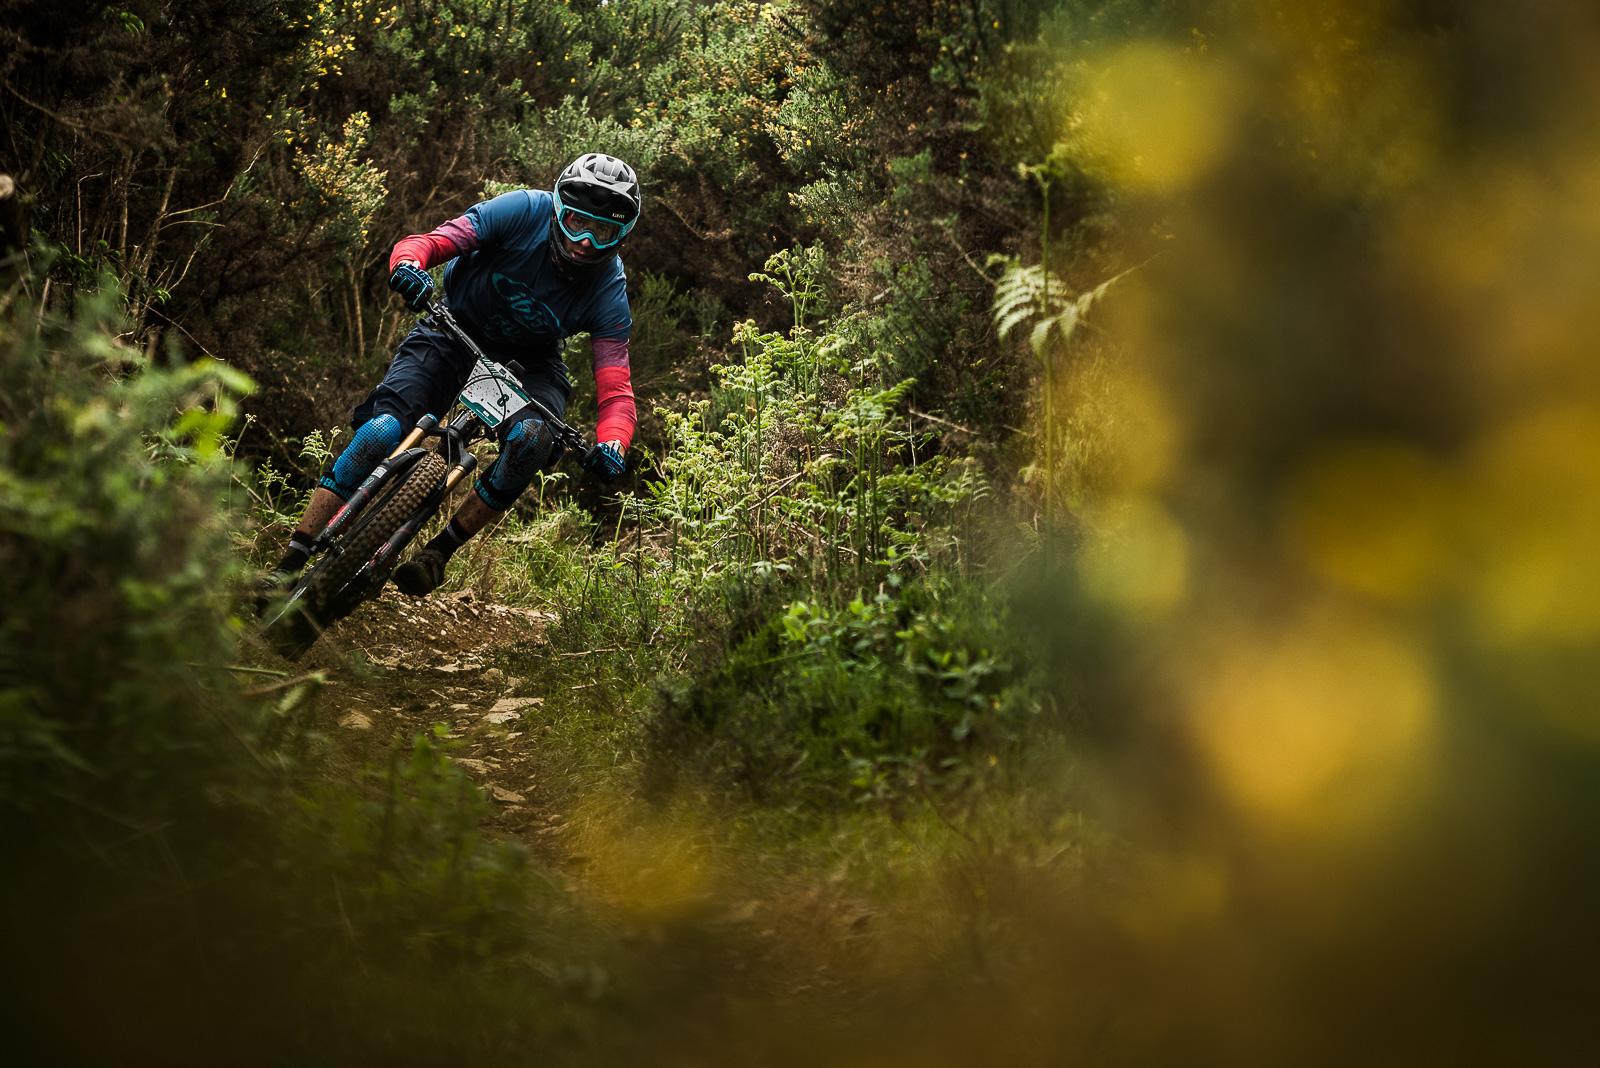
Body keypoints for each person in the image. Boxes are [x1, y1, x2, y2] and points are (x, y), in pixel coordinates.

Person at [267, 152, 641, 598]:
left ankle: (439, 553)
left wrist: (613, 444)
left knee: (535, 440)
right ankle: (290, 560)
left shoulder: (609, 291)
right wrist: (408, 267)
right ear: (559, 208)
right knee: (380, 431)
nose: (584, 242)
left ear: (620, 236)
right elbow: (431, 241)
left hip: (532, 360)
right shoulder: (521, 210)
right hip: (453, 327)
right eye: (577, 221)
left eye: (602, 232)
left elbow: (616, 390)